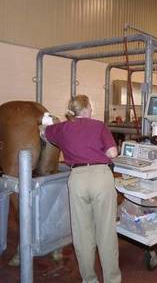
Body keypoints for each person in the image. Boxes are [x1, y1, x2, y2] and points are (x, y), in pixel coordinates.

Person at [42, 94, 121, 283]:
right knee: (106, 232)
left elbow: (44, 133)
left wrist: (46, 123)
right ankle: (112, 280)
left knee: (82, 234)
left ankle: (89, 280)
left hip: (77, 180)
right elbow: (113, 153)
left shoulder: (62, 128)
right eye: (91, 107)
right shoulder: (99, 125)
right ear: (86, 108)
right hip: (101, 177)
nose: (92, 110)